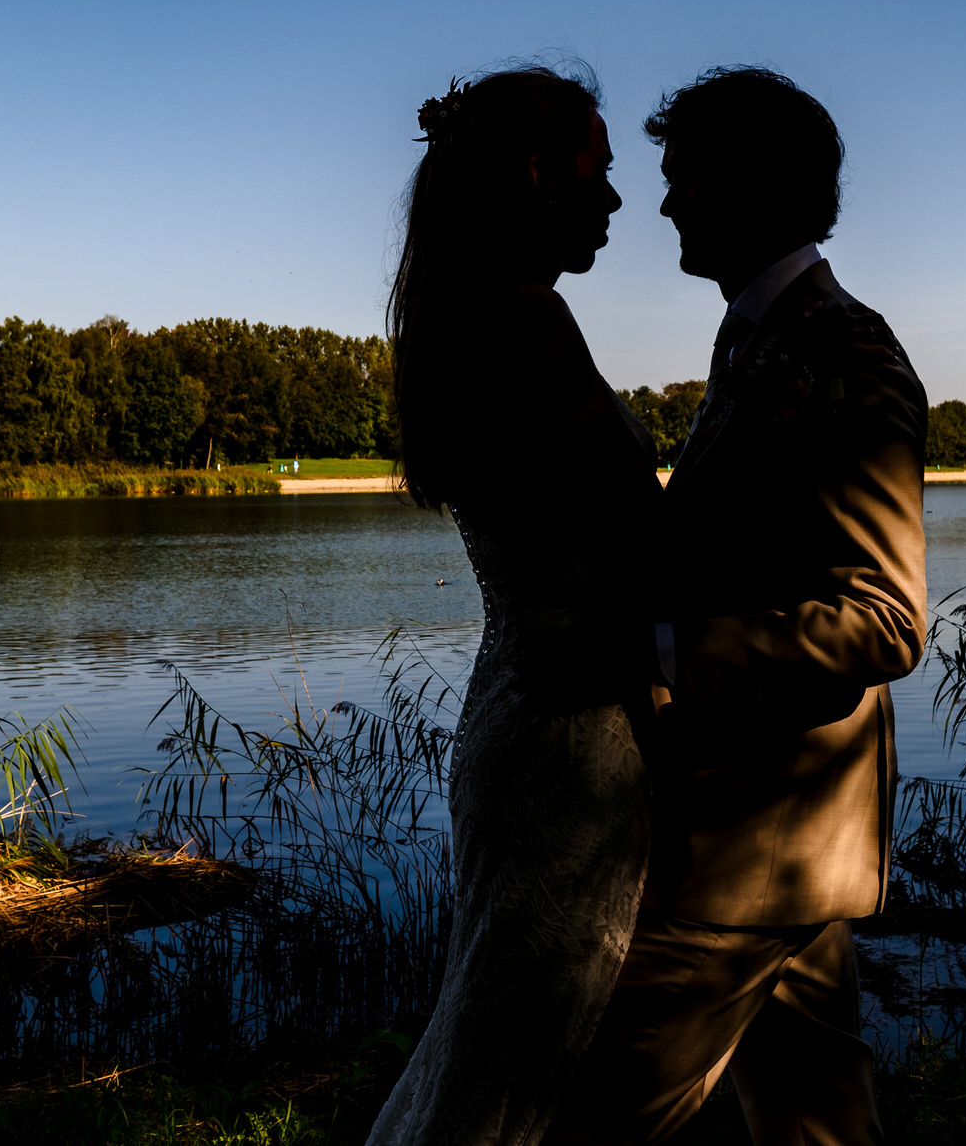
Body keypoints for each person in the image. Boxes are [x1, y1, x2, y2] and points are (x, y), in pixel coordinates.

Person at [550, 68, 928, 1146]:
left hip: (745, 852)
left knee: (595, 1118)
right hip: (784, 841)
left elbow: (885, 617)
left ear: (752, 185)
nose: (664, 203)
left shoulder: (840, 352)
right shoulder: (760, 338)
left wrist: (659, 649)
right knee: (816, 1120)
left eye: (684, 179)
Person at [368, 67, 661, 1146]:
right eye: (600, 171)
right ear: (537, 175)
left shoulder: (458, 312)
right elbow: (644, 537)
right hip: (567, 734)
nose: (617, 201)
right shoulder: (529, 321)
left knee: (492, 1026)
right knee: (515, 1057)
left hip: (516, 701)